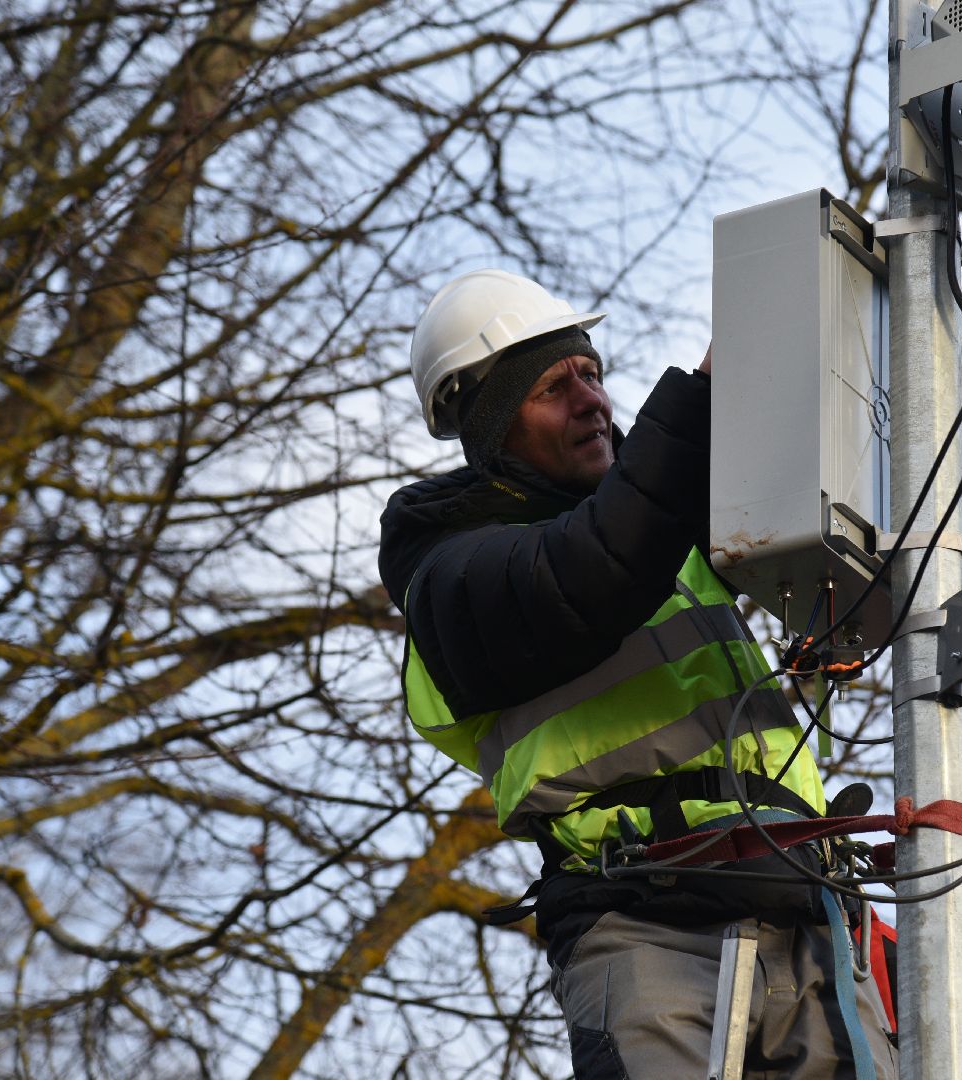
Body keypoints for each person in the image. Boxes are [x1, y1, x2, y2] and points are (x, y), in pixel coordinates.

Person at [377, 269, 897, 1078]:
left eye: (593, 374)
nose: (592, 399)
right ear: (490, 425)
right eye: (555, 386)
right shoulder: (453, 576)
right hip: (644, 924)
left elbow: (727, 521)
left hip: (797, 901)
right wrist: (706, 393)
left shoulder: (662, 537)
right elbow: (594, 568)